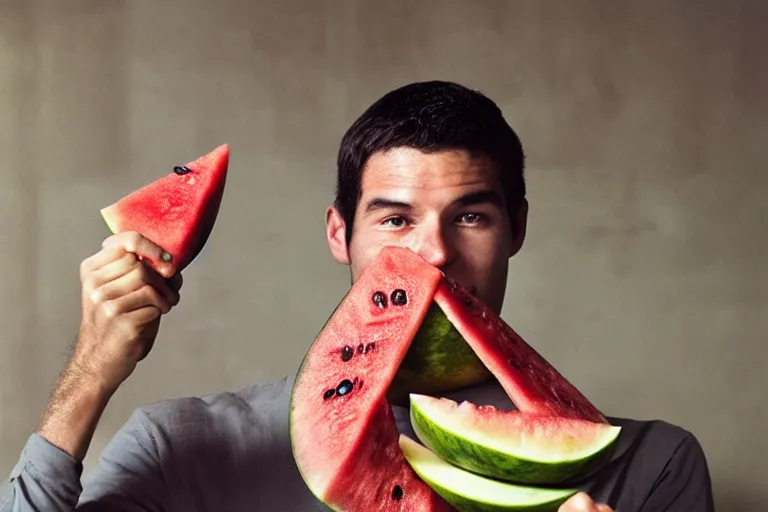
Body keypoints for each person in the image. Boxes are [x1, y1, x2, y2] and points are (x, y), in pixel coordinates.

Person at [1, 81, 714, 512]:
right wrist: (91, 371)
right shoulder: (184, 450)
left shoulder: (648, 464)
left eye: (471, 216)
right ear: (340, 233)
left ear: (517, 229)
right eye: (395, 218)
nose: (434, 254)